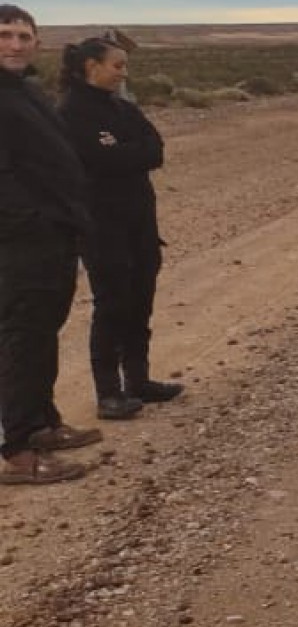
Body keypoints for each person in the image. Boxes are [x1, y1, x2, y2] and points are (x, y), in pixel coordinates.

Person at [56, 33, 183, 420]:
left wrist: (122, 150)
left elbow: (154, 149)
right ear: (92, 67)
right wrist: (128, 152)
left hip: (140, 221)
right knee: (112, 304)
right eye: (117, 65)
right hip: (100, 225)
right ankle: (109, 392)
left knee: (140, 298)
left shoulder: (121, 106)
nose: (123, 73)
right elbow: (98, 160)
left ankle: (139, 381)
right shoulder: (71, 113)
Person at [0, 4, 101, 484]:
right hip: (23, 241)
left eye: (24, 35)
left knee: (43, 332)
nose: (15, 44)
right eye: (4, 35)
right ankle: (19, 449)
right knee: (23, 337)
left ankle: (42, 425)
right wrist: (33, 221)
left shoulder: (26, 91)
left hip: (55, 233)